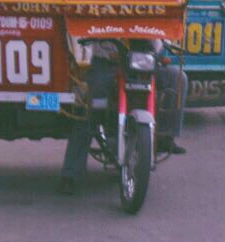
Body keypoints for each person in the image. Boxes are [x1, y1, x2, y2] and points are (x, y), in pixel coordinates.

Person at [57, 41, 185, 195]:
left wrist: (162, 42)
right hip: (108, 63)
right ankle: (70, 173)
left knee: (178, 79)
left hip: (143, 61)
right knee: (88, 107)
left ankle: (166, 137)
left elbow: (159, 36)